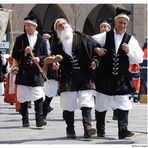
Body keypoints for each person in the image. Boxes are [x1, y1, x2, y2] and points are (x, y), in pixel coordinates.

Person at [92, 7, 143, 139]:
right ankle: (100, 130)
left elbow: (139, 58)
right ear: (115, 22)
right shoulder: (105, 36)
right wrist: (97, 49)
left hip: (121, 77)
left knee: (123, 103)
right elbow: (88, 40)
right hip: (105, 76)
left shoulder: (130, 40)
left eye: (125, 23)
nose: (122, 25)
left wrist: (129, 52)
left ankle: (123, 131)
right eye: (120, 22)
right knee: (101, 103)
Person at [51, 18, 98, 139]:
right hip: (67, 76)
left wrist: (95, 61)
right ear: (56, 30)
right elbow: (53, 60)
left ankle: (88, 127)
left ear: (68, 25)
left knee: (86, 100)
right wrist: (55, 65)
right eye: (59, 26)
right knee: (68, 103)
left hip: (84, 74)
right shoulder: (56, 44)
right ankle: (70, 129)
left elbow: (95, 51)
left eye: (63, 23)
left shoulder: (82, 37)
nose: (62, 26)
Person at [12, 15, 48, 127]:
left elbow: (46, 55)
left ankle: (39, 119)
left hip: (36, 72)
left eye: (28, 25)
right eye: (25, 25)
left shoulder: (42, 39)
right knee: (23, 96)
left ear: (34, 26)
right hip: (23, 71)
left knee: (38, 94)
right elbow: (14, 55)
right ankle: (25, 119)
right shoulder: (20, 39)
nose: (26, 27)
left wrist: (39, 58)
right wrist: (24, 52)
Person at [42, 31, 63, 119]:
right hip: (53, 69)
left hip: (67, 69)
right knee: (50, 93)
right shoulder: (51, 41)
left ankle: (67, 113)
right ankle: (43, 112)